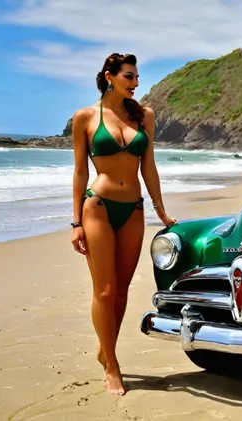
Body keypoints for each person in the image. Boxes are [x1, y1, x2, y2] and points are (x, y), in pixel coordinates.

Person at [70, 53, 176, 396]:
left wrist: (160, 210)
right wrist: (76, 222)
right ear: (109, 76)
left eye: (137, 77)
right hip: (97, 207)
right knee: (103, 289)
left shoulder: (143, 116)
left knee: (120, 290)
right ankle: (112, 365)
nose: (135, 82)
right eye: (129, 76)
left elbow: (149, 168)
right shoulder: (85, 117)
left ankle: (105, 348)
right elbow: (80, 172)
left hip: (133, 209)